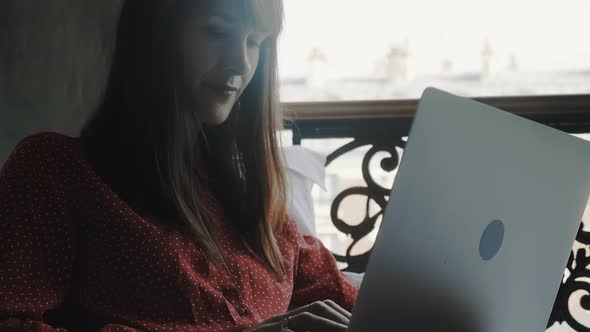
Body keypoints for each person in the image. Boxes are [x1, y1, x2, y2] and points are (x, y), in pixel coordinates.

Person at [0, 0, 359, 331]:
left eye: (256, 42)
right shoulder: (56, 170)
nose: (242, 64)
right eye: (217, 32)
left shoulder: (254, 203)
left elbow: (359, 301)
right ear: (156, 35)